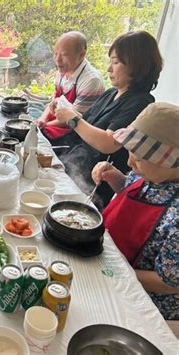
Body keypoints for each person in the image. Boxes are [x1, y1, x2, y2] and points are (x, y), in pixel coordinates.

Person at [53, 31, 163, 209]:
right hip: (73, 162)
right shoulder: (111, 93)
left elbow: (109, 143)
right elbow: (86, 123)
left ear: (137, 66)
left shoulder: (141, 102)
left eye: (116, 62)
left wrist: (72, 119)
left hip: (93, 181)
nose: (109, 69)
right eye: (110, 62)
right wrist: (64, 111)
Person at [91, 103, 178, 320]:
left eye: (139, 158)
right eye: (130, 152)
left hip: (143, 301)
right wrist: (114, 176)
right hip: (111, 260)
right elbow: (133, 194)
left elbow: (169, 282)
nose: (130, 162)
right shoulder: (152, 174)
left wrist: (115, 271)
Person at [36, 31, 105, 141]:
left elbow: (73, 119)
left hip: (74, 129)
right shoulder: (64, 68)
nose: (58, 60)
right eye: (55, 53)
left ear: (81, 55)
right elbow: (53, 103)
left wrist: (43, 126)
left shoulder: (91, 80)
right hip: (58, 120)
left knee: (35, 135)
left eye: (64, 54)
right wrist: (42, 119)